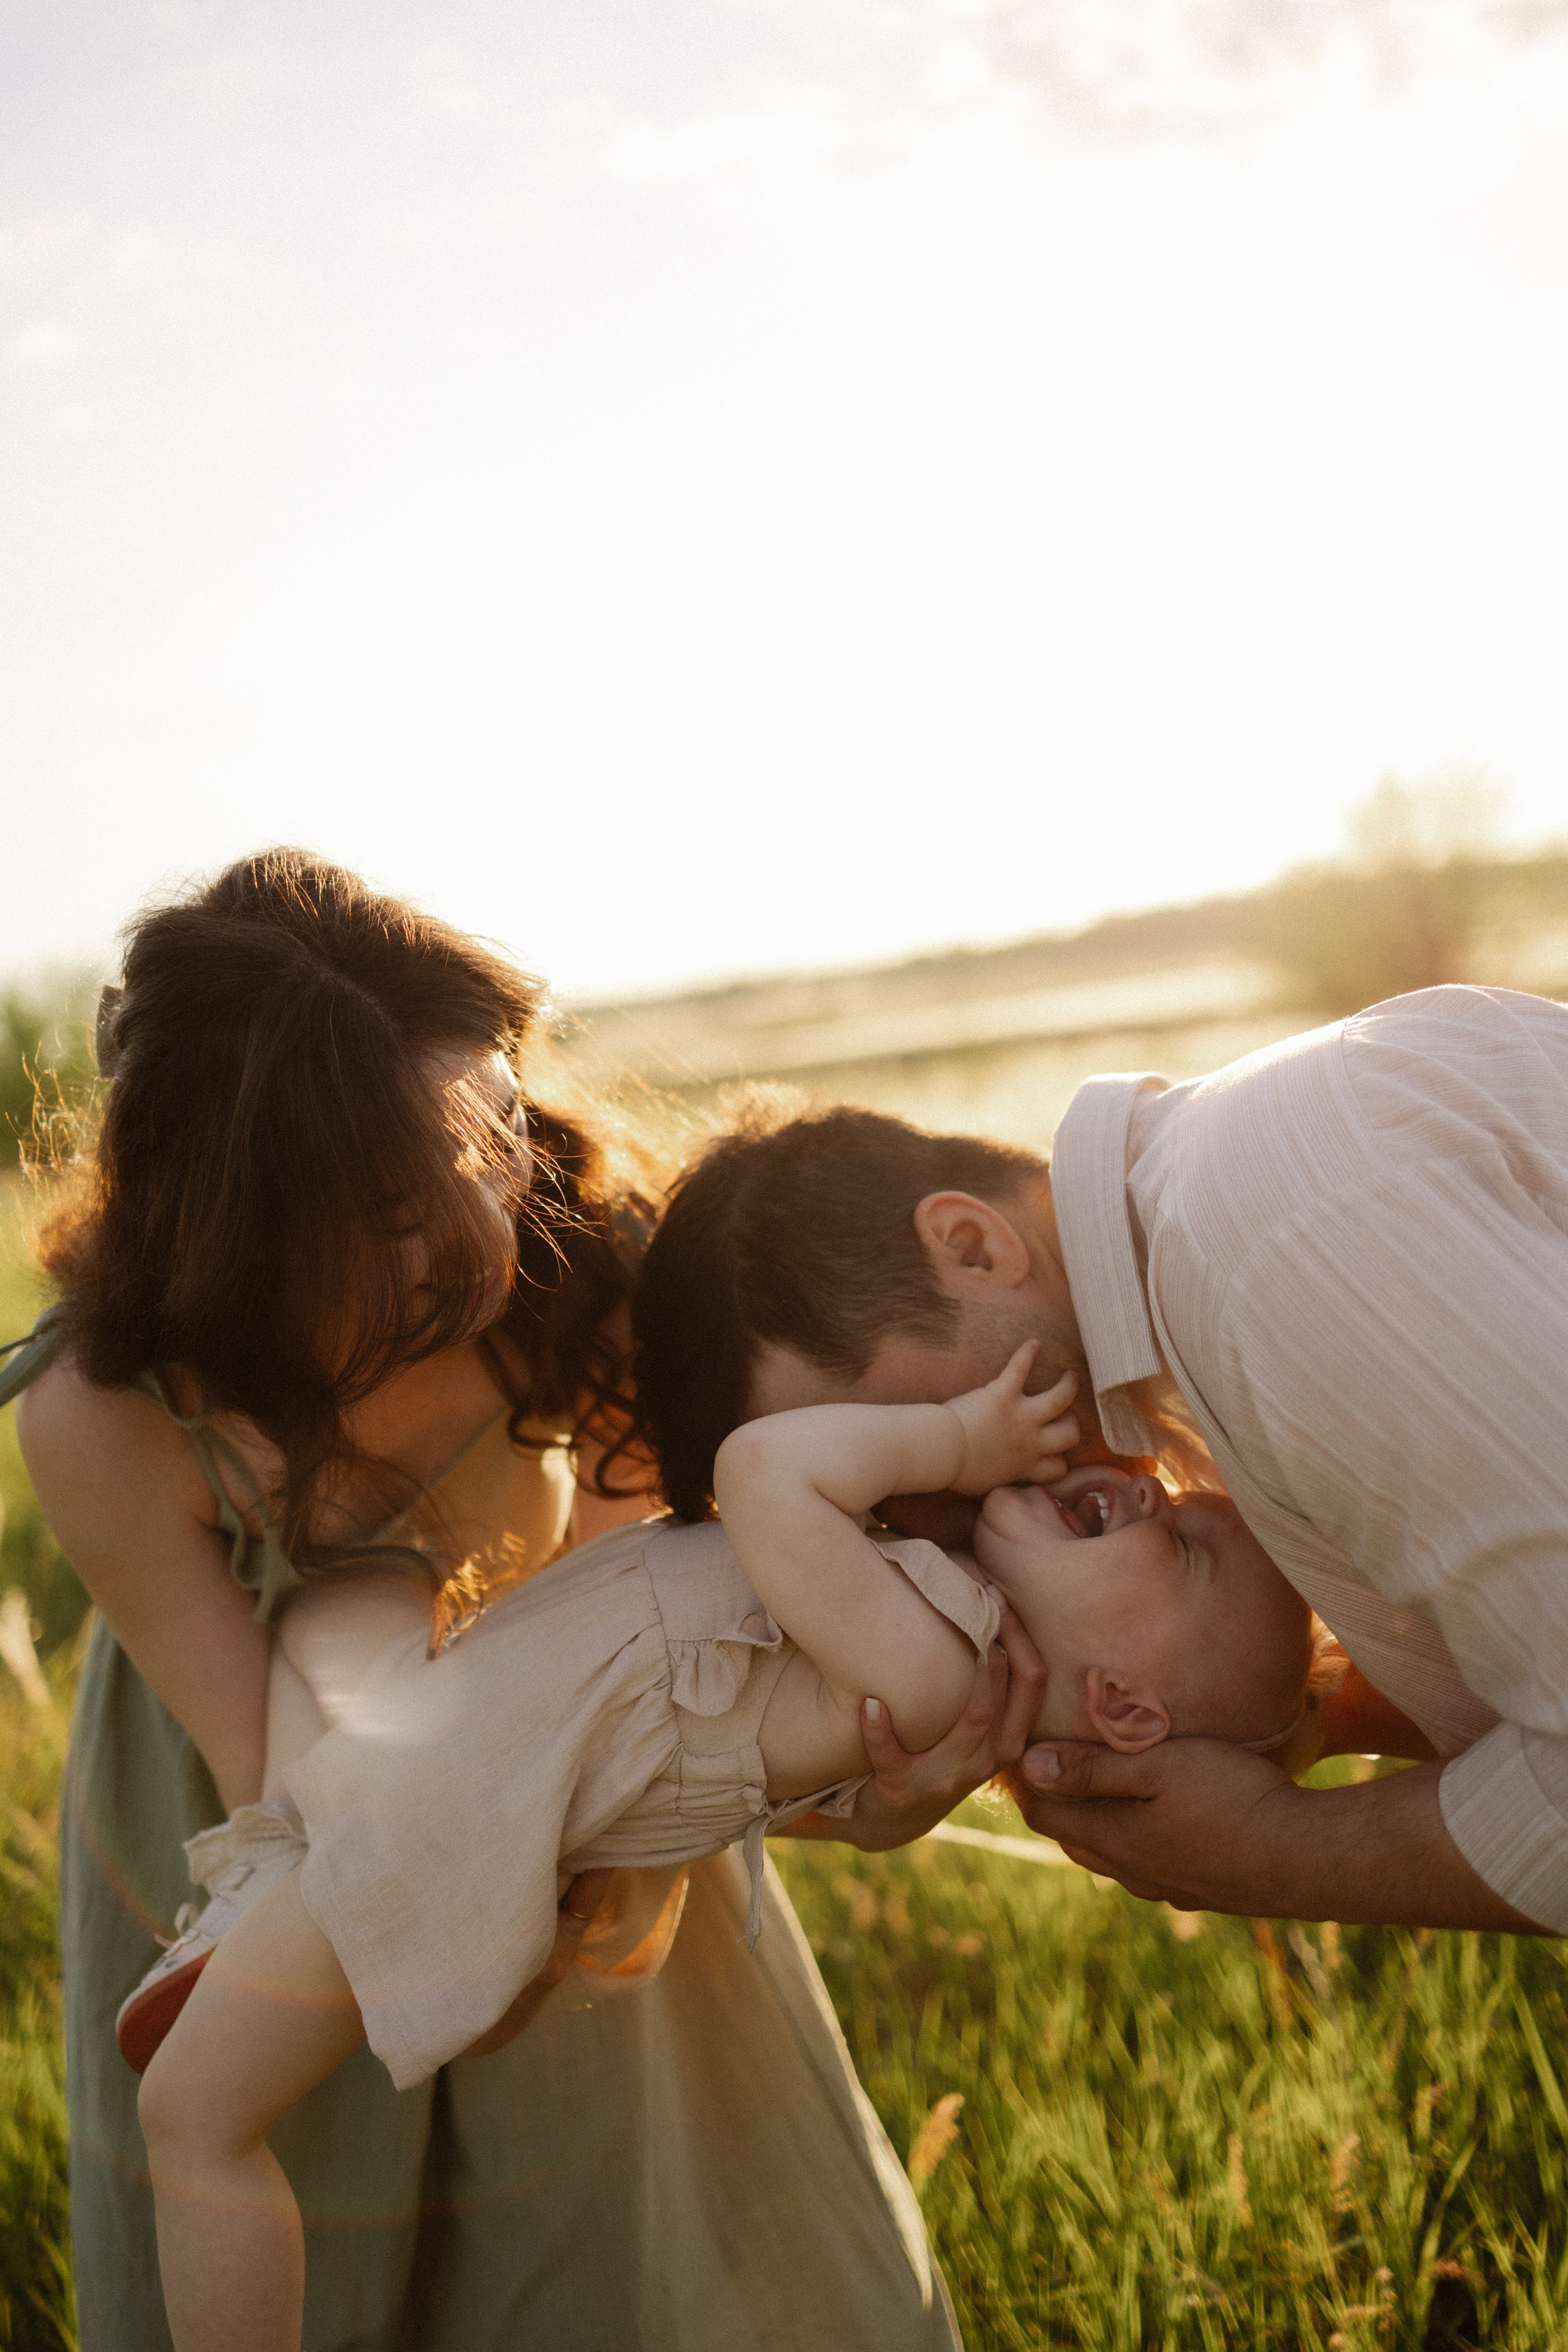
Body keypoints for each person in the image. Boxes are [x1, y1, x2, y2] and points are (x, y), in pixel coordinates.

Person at [4, 848, 996, 2352]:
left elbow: (658, 1597)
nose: (487, 1207)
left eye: (493, 1125)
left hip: (599, 1745)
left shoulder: (576, 1265)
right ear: (247, 1224)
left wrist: (649, 1849)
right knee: (301, 2206)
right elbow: (274, 1780)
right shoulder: (106, 1405)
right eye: (405, 1202)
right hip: (282, 1828)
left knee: (634, 2235)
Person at [135, 1342, 1323, 2352]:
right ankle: (261, 1888)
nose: (1150, 1494)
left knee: (195, 2122)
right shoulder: (927, 1639)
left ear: (1120, 1704)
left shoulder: (934, 1661)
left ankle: (271, 1900)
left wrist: (963, 1435)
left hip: (438, 1816)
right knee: (334, 1619)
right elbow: (842, 1803)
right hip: (444, 1748)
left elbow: (763, 1472)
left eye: (1182, 1547)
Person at [631, 986, 1568, 1940]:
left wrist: (1273, 1851)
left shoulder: (1261, 1260)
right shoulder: (1212, 1265)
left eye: (906, 1444)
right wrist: (1302, 1720)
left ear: (971, 1246)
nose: (946, 1532)